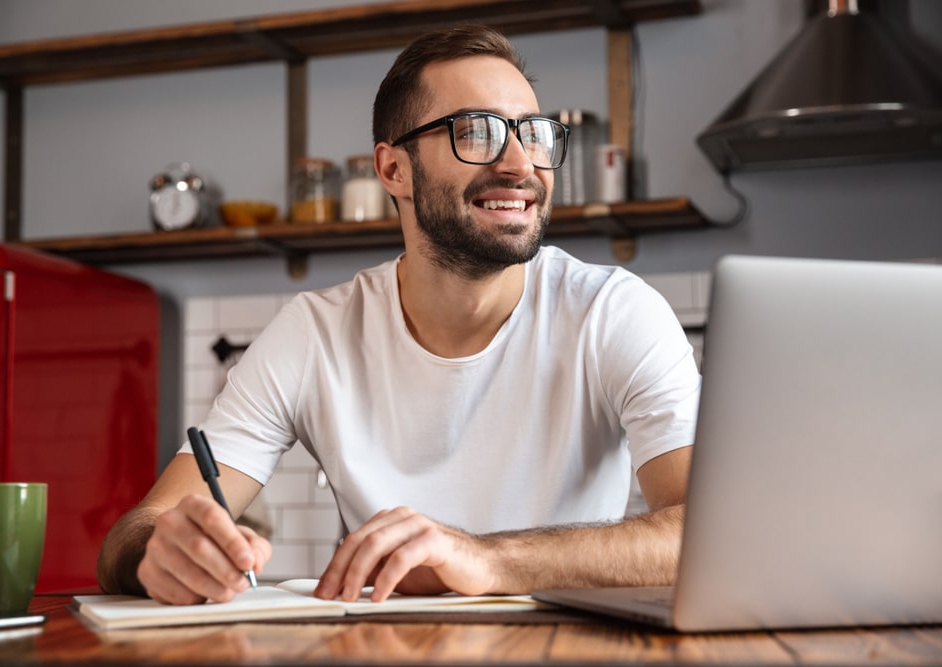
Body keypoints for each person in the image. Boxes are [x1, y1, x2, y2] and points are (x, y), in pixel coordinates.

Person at [97, 24, 700, 606]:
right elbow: (134, 533)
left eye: (533, 133)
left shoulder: (613, 311)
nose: (521, 164)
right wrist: (161, 551)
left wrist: (486, 560)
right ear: (393, 170)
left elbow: (705, 531)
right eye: (479, 132)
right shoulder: (314, 333)